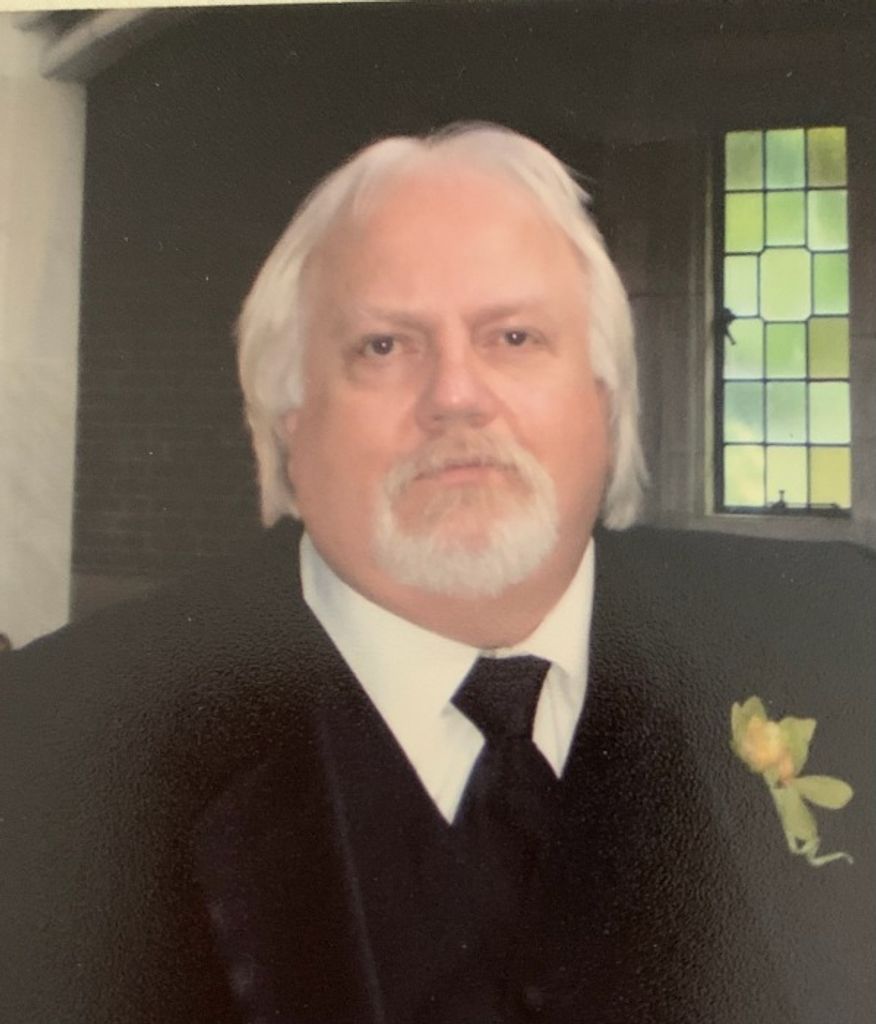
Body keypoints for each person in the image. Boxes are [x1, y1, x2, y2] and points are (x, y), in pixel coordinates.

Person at [2, 124, 873, 1024]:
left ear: (605, 401)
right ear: (289, 419)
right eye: (384, 346)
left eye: (515, 336)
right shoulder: (48, 750)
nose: (456, 396)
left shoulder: (843, 638)